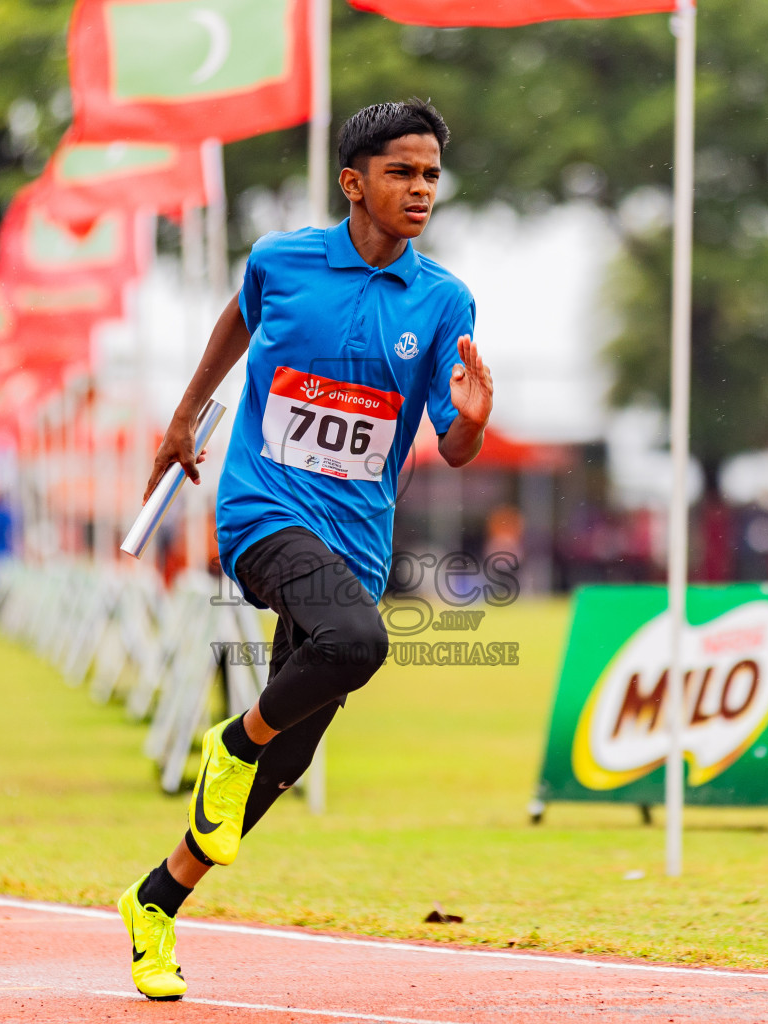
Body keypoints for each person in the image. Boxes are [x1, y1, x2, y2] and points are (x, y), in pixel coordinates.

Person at [116, 99, 494, 1002]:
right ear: (353, 182)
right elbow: (236, 323)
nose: (421, 189)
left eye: (432, 174)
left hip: (356, 537)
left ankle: (154, 904)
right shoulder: (280, 262)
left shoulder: (443, 300)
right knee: (358, 645)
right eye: (403, 172)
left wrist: (474, 426)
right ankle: (230, 740)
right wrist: (182, 417)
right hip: (262, 510)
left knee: (286, 762)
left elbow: (454, 436)